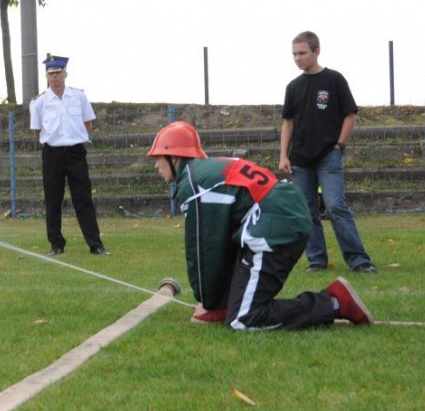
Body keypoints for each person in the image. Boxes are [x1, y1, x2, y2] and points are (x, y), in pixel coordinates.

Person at [149, 121, 373, 329]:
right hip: (280, 215)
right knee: (238, 310)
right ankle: (230, 305)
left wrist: (206, 300)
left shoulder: (194, 184)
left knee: (243, 319)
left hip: (274, 223)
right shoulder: (204, 172)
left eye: (158, 157)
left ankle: (334, 302)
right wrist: (218, 305)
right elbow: (222, 240)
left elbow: (203, 248)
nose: (156, 165)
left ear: (174, 157)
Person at [279, 31, 377, 274]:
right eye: (294, 54)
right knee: (306, 211)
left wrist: (339, 145)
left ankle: (359, 261)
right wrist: (283, 155)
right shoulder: (293, 87)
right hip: (300, 160)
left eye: (302, 53)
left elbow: (350, 115)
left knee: (335, 206)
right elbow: (288, 122)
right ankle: (317, 261)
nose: (297, 58)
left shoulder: (334, 80)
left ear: (316, 51)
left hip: (328, 156)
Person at [29, 54, 109, 256]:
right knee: (53, 200)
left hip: (75, 152)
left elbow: (87, 124)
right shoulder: (38, 103)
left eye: (58, 73)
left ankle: (95, 244)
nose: (55, 77)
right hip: (52, 153)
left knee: (83, 199)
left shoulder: (79, 97)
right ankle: (56, 244)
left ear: (65, 74)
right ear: (47, 77)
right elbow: (38, 130)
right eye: (51, 74)